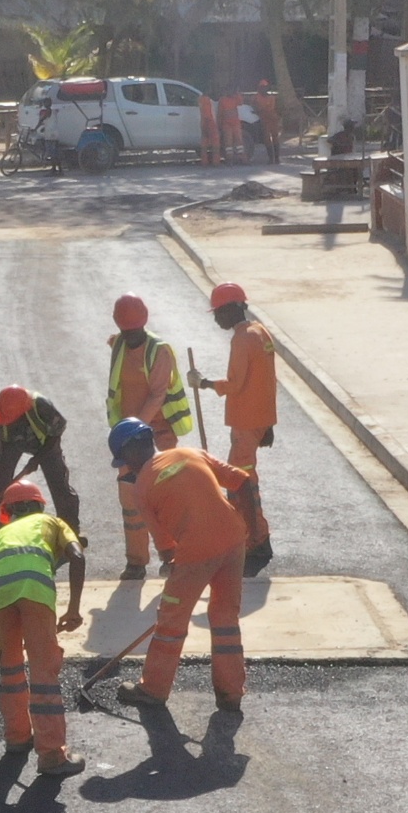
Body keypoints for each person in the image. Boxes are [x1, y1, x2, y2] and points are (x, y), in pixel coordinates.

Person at [110, 418, 259, 715]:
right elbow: (243, 482)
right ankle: (231, 694)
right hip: (234, 541)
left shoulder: (141, 488)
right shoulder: (192, 453)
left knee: (170, 622)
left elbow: (166, 550)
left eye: (123, 461)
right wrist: (252, 531)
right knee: (225, 618)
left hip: (196, 553)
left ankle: (153, 689)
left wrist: (179, 575)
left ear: (128, 453)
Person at [0, 478, 88, 777]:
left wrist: (2, 645)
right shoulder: (51, 521)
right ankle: (52, 755)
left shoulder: (1, 534)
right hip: (33, 588)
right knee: (43, 672)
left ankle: (17, 739)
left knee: (11, 668)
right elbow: (77, 556)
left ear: (9, 512)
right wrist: (74, 609)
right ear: (39, 504)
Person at [103, 293, 193, 574]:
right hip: (129, 441)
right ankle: (136, 561)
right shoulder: (119, 344)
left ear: (143, 325)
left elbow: (157, 395)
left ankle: (172, 555)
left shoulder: (159, 351)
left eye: (134, 331)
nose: (129, 336)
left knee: (163, 498)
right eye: (124, 331)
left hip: (159, 435)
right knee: (130, 501)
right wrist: (127, 435)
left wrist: (134, 429)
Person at [200, 280, 279, 569]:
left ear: (234, 309)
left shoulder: (242, 339)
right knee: (243, 482)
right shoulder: (260, 332)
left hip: (246, 423)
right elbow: (267, 380)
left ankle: (256, 542)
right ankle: (253, 540)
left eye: (220, 312)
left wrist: (206, 383)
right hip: (257, 420)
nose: (218, 318)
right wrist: (268, 424)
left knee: (242, 485)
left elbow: (235, 385)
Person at [0, 385, 80, 531]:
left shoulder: (41, 405)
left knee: (59, 486)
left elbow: (56, 433)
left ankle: (70, 531)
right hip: (9, 445)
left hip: (45, 442)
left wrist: (38, 459)